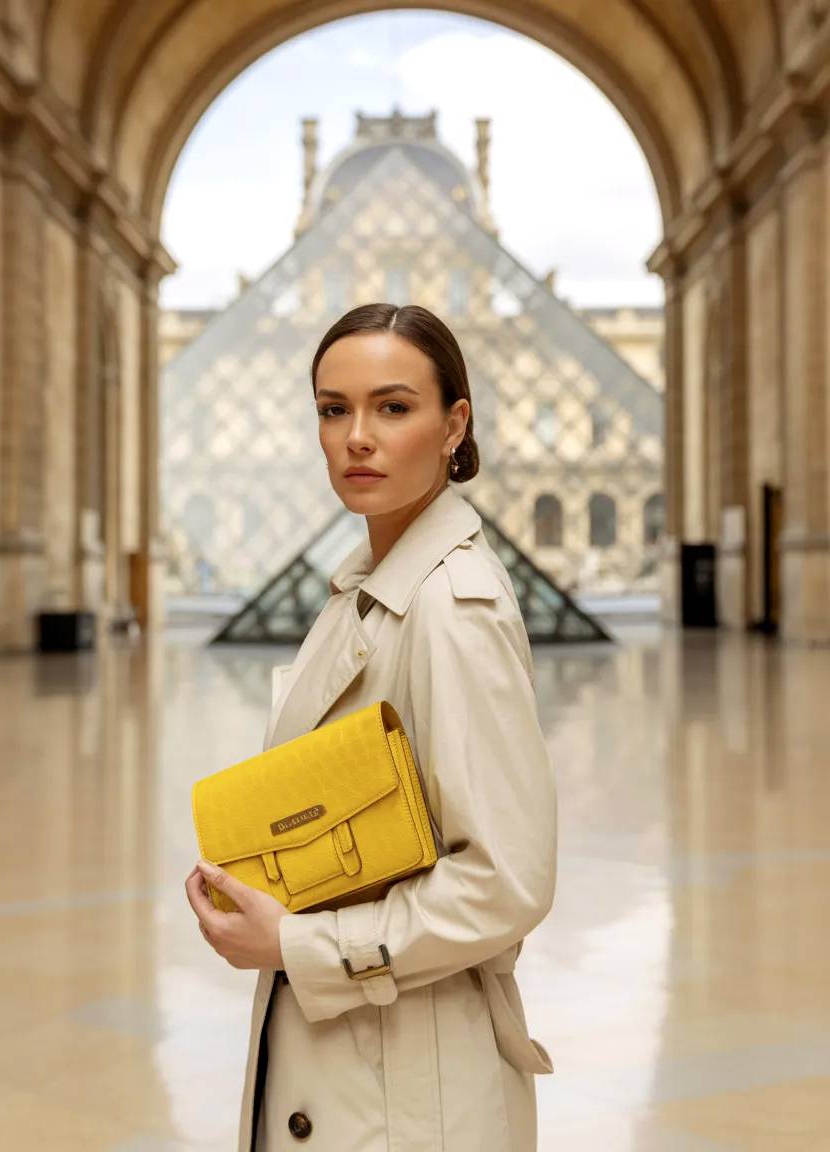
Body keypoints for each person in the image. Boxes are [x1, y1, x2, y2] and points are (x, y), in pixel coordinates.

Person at [185, 303, 558, 1151]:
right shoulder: (372, 580)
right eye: (332, 408)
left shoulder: (450, 607)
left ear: (454, 424)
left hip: (405, 1088)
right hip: (375, 1058)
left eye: (393, 407)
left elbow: (507, 882)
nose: (357, 436)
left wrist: (299, 944)